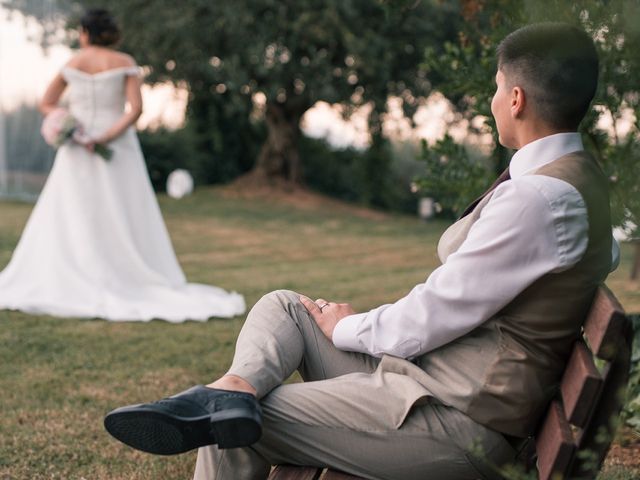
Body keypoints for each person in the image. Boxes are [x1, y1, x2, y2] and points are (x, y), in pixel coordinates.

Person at [104, 22, 619, 479]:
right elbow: (589, 261)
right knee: (286, 307)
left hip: (456, 419)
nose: (492, 101)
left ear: (516, 99)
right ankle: (233, 387)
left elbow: (433, 314)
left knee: (238, 425)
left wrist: (349, 328)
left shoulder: (538, 198)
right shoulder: (578, 184)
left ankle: (225, 404)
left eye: (496, 88)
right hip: (432, 386)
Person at [0, 9, 245, 322]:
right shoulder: (125, 62)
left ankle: (74, 272)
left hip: (77, 146)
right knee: (123, 207)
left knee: (75, 208)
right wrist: (107, 136)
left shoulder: (72, 63)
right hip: (116, 145)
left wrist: (72, 127)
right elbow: (135, 109)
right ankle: (124, 271)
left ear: (85, 32)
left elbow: (46, 103)